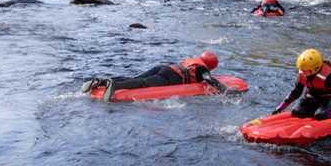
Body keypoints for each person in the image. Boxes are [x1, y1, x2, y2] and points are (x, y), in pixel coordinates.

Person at [271, 49, 331, 138]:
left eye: (306, 71)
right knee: (297, 112)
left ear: (316, 68)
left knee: (320, 115)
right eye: (302, 70)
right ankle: (320, 109)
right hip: (313, 97)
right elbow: (296, 92)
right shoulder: (303, 72)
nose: (303, 73)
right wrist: (280, 108)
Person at [80, 51, 230, 101]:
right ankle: (116, 86)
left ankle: (101, 81)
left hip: (164, 67)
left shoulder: (192, 60)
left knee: (135, 79)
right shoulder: (203, 70)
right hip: (169, 78)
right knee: (143, 83)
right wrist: (226, 91)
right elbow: (210, 80)